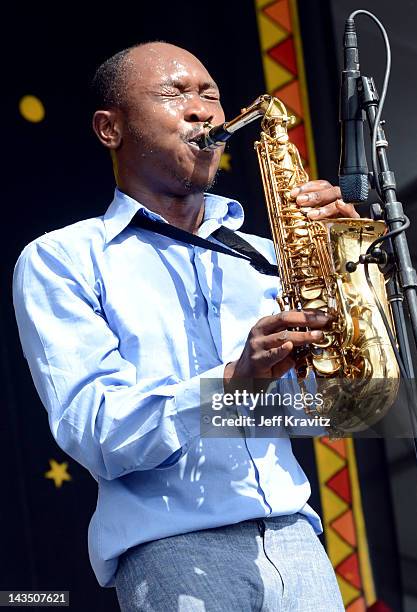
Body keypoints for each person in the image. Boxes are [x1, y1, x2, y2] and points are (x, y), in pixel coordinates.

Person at [13, 42, 357, 611]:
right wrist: (230, 383)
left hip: (297, 538)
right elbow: (97, 431)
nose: (204, 112)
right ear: (109, 129)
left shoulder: (266, 256)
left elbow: (329, 412)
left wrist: (347, 272)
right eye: (176, 93)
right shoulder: (63, 258)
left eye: (211, 95)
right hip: (171, 543)